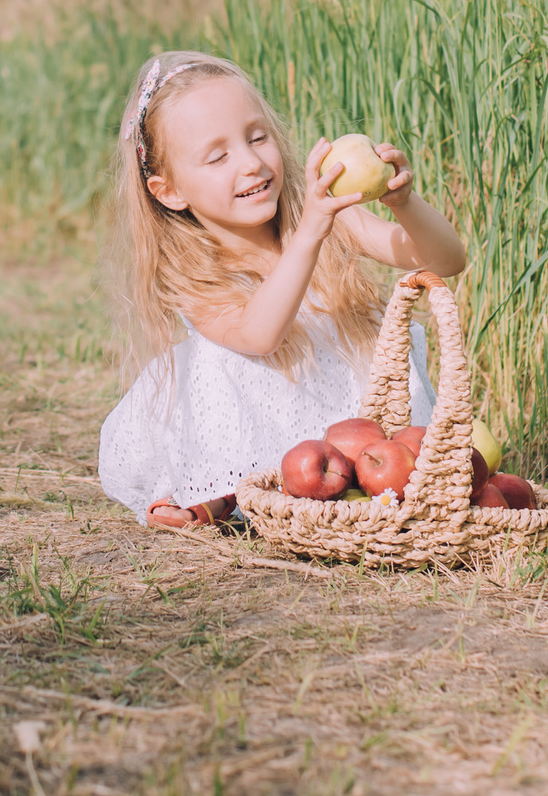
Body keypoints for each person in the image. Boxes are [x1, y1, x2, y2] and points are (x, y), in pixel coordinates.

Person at [95, 50, 470, 529]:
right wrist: (312, 231)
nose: (251, 163)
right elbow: (259, 336)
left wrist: (404, 203)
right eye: (218, 156)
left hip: (345, 434)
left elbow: (446, 260)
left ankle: (366, 482)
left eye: (258, 137)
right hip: (247, 420)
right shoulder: (193, 270)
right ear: (169, 190)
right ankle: (217, 496)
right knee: (217, 359)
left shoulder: (325, 215)